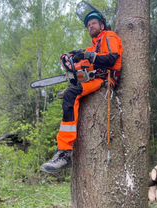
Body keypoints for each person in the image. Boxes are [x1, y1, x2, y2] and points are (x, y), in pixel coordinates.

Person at [41, 11, 123, 174]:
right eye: (88, 25)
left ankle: (64, 153)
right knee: (73, 87)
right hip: (93, 79)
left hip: (104, 79)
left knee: (72, 94)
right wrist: (72, 60)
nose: (90, 26)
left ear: (101, 25)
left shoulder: (109, 36)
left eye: (93, 23)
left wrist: (87, 56)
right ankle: (63, 151)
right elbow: (85, 59)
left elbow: (112, 58)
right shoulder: (94, 46)